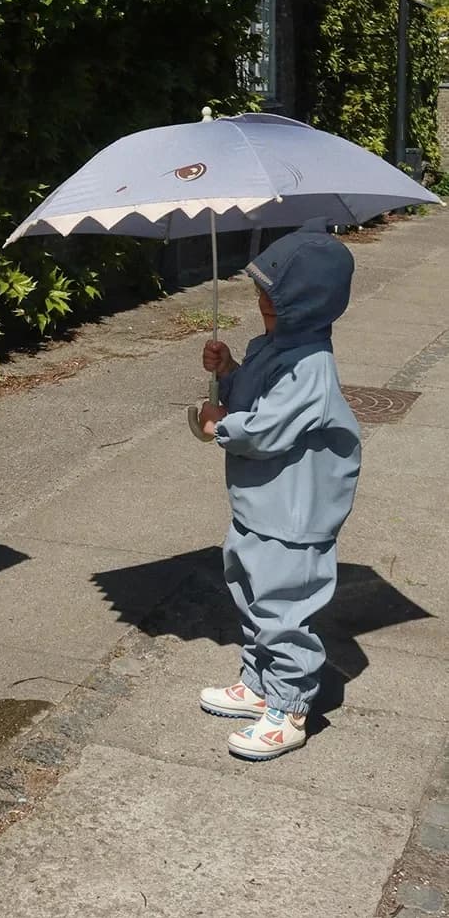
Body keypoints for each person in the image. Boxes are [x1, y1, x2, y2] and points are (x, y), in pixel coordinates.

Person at [196, 220, 361, 760]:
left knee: (284, 607)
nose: (262, 306)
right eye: (262, 295)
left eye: (274, 298)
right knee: (248, 590)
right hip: (261, 503)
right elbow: (252, 394)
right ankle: (258, 681)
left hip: (293, 513)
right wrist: (228, 372)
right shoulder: (272, 347)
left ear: (307, 304)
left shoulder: (312, 366)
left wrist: (221, 426)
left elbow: (267, 426)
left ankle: (289, 706)